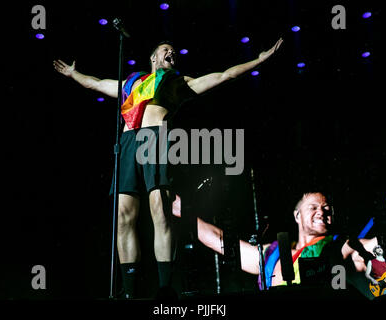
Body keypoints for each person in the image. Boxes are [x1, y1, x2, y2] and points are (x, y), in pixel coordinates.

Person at [53, 38, 284, 298]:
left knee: (159, 212)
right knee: (123, 217)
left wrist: (259, 60)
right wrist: (74, 74)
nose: (171, 54)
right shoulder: (130, 83)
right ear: (153, 57)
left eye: (174, 52)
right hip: (128, 143)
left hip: (155, 139)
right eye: (166, 51)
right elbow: (95, 83)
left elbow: (224, 75)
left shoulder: (178, 82)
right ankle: (129, 290)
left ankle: (165, 287)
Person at [181, 192, 386, 289]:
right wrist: (180, 209)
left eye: (326, 208)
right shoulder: (269, 254)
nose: (322, 212)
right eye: (313, 207)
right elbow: (220, 240)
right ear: (297, 216)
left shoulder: (342, 248)